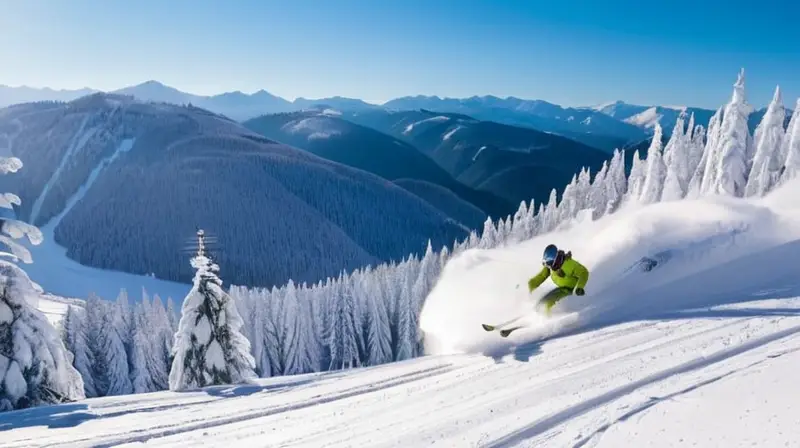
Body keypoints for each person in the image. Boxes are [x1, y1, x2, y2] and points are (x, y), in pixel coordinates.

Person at [527, 244, 589, 315]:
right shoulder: (551, 266)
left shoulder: (569, 264)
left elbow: (584, 272)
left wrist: (580, 287)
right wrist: (530, 285)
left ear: (556, 259)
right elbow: (542, 276)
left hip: (571, 291)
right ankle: (535, 315)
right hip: (561, 289)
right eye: (546, 263)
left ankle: (547, 319)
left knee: (548, 303)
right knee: (541, 303)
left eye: (549, 263)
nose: (548, 266)